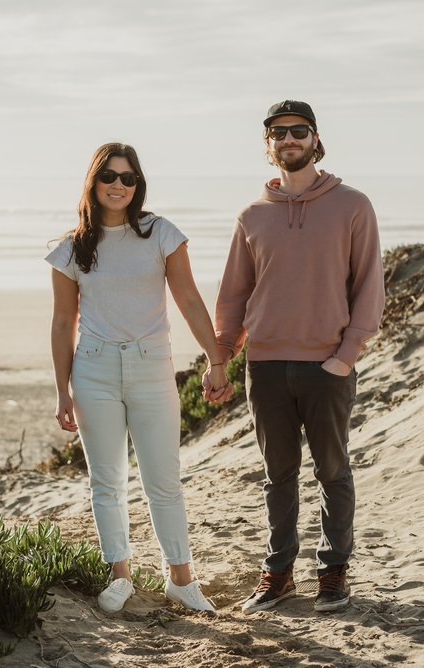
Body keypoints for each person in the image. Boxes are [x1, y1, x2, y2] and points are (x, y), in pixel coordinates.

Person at [205, 100, 385, 614]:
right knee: (277, 475)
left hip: (327, 365)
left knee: (333, 471)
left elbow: (369, 285)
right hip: (264, 366)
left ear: (314, 137)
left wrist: (346, 357)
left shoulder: (352, 205)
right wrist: (221, 358)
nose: (289, 140)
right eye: (278, 133)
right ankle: (278, 574)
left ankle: (333, 574)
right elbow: (234, 297)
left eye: (298, 131)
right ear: (269, 144)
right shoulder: (252, 215)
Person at [47, 142, 232, 614]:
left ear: (138, 184)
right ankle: (120, 577)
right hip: (94, 369)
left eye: (128, 178)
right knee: (106, 482)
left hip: (152, 367)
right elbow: (62, 321)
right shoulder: (72, 247)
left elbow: (189, 301)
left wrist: (216, 359)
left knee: (163, 480)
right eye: (109, 176)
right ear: (94, 181)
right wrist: (61, 390)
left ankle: (182, 579)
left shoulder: (161, 234)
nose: (118, 186)